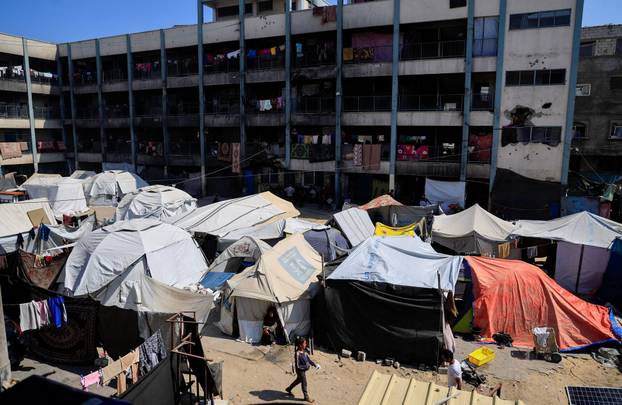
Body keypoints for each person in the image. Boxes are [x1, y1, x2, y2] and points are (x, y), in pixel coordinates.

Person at [286, 337, 319, 403]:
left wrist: (315, 365)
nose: (306, 344)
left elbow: (308, 360)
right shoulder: (297, 353)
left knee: (298, 380)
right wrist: (306, 367)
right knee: (304, 382)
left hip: (303, 370)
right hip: (300, 371)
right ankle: (306, 397)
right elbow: (298, 366)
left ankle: (289, 388)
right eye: (305, 343)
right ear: (300, 345)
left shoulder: (304, 351)